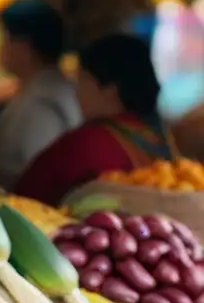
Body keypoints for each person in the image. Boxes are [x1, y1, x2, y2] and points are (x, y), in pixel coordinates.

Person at [16, 34, 178, 206]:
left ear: (110, 90)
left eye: (82, 82)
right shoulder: (163, 136)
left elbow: (25, 195)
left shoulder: (86, 143)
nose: (77, 94)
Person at [0, 0, 82, 191]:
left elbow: (41, 178)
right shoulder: (43, 90)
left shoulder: (43, 105)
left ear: (24, 47)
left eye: (6, 39)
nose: (1, 48)